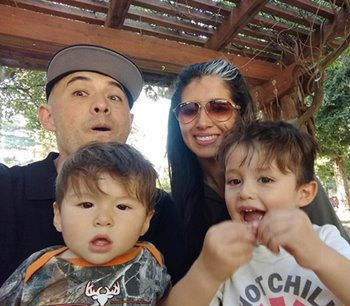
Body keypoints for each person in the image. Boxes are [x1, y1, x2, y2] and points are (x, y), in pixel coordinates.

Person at [0, 44, 185, 286]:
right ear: (48, 116)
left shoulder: (159, 207)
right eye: (80, 92)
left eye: (114, 97)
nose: (101, 105)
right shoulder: (6, 189)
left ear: (129, 122)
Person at [166, 58, 350, 272]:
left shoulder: (290, 183)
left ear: (241, 112)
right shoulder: (178, 201)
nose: (203, 122)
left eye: (218, 108)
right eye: (189, 110)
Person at [0, 142, 171, 305]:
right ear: (58, 216)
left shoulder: (150, 261)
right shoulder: (38, 269)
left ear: (145, 221)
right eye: (87, 205)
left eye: (122, 206)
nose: (103, 219)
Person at [206, 120, 350, 305]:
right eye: (234, 181)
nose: (245, 192)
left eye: (265, 179)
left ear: (304, 193)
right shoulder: (224, 255)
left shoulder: (325, 240)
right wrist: (206, 270)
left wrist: (318, 254)